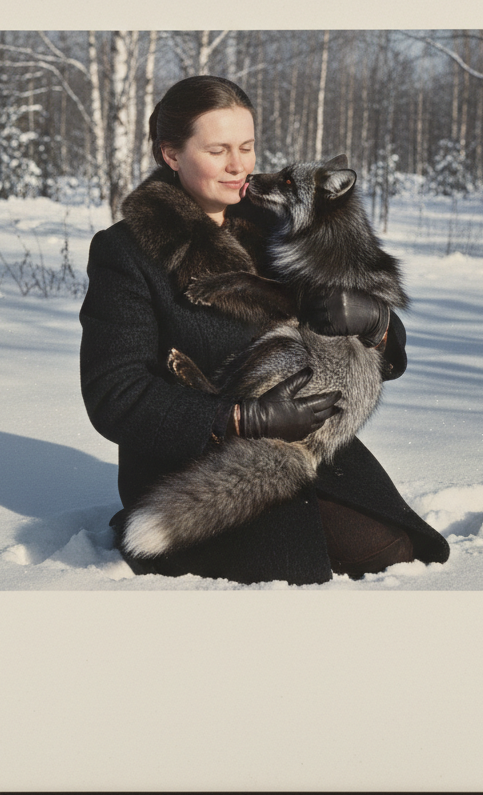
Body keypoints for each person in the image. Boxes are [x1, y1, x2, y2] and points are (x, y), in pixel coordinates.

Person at [79, 76, 450, 584]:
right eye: (217, 150)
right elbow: (113, 395)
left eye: (248, 147)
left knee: (391, 550)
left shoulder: (279, 222)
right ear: (171, 153)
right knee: (295, 572)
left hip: (308, 438)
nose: (240, 166)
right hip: (197, 455)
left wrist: (377, 322)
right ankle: (155, 528)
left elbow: (370, 347)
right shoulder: (125, 252)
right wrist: (238, 417)